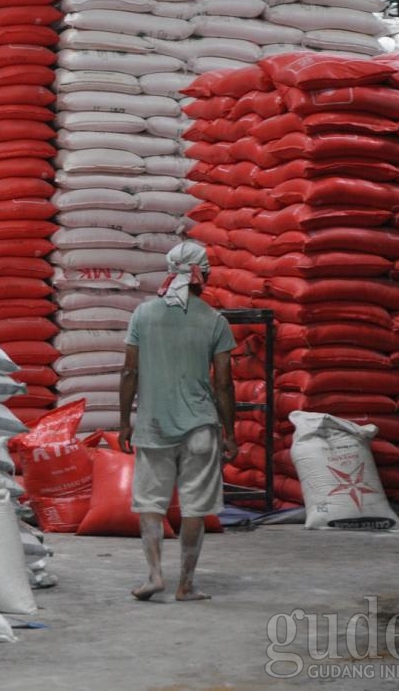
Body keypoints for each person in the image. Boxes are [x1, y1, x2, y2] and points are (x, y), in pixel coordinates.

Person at [118, 240, 237, 602]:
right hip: (200, 428)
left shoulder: (143, 315)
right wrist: (230, 431)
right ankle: (186, 584)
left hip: (153, 425)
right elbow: (223, 383)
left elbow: (129, 371)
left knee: (151, 506)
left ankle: (154, 575)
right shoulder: (214, 321)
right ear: (206, 275)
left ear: (170, 272)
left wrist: (125, 422)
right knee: (195, 508)